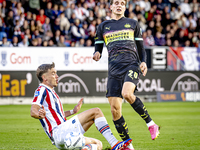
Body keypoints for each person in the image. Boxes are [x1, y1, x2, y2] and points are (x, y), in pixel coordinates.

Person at [93, 0, 160, 149]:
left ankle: (151, 124)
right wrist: (96, 52)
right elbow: (98, 45)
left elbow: (141, 47)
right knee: (115, 110)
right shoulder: (103, 26)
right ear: (110, 7)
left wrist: (143, 62)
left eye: (122, 3)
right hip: (113, 70)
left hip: (131, 64)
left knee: (127, 94)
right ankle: (128, 145)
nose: (119, 5)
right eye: (116, 3)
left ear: (125, 7)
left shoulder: (133, 23)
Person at [30, 62, 132, 150]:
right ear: (44, 78)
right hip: (60, 131)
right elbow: (33, 110)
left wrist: (73, 112)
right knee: (96, 111)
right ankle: (114, 143)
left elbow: (57, 115)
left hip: (60, 139)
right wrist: (39, 114)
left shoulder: (50, 91)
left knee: (98, 144)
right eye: (53, 73)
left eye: (56, 73)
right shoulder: (42, 89)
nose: (57, 76)